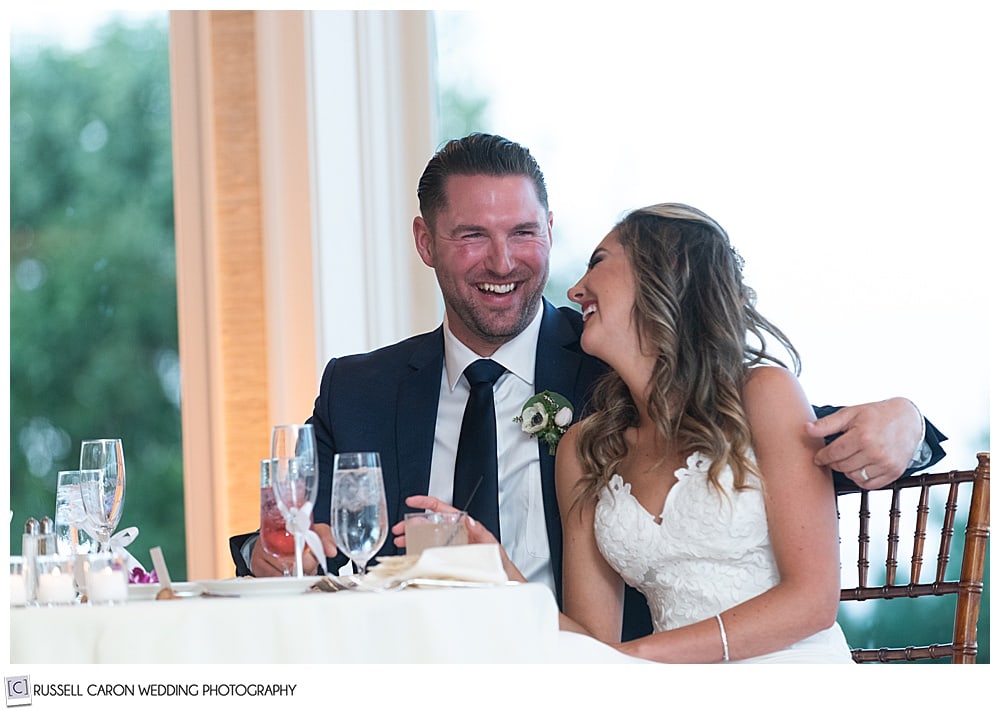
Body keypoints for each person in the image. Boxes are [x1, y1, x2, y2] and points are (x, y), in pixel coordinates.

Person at [230, 133, 946, 642]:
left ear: (549, 228)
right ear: (426, 242)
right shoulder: (358, 387)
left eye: (523, 232)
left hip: (601, 672)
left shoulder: (622, 362)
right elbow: (300, 533)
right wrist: (274, 553)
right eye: (473, 235)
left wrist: (908, 423)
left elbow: (788, 447)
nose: (503, 261)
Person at [404, 203, 855, 662]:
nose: (577, 291)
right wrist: (502, 575)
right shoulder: (584, 448)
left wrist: (638, 659)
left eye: (598, 263)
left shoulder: (764, 395)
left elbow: (813, 601)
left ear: (664, 269)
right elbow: (592, 644)